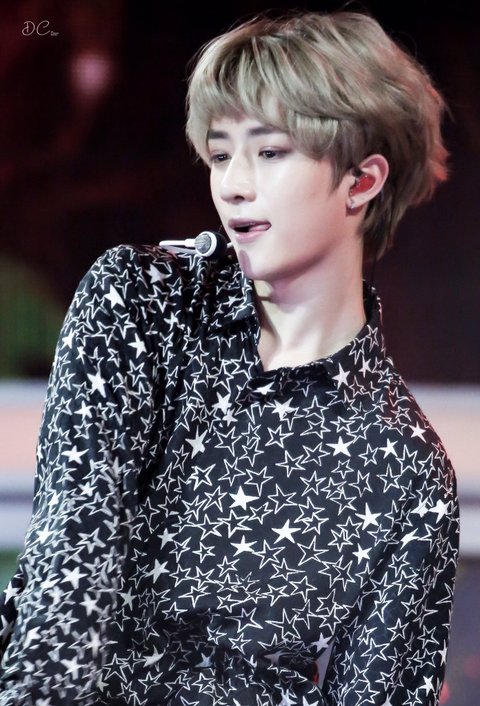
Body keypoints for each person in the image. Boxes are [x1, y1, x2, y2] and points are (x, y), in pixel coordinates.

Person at [0, 8, 459, 706]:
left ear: (362, 181)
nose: (233, 184)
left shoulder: (407, 468)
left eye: (269, 152)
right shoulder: (142, 303)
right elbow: (68, 574)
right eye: (220, 155)